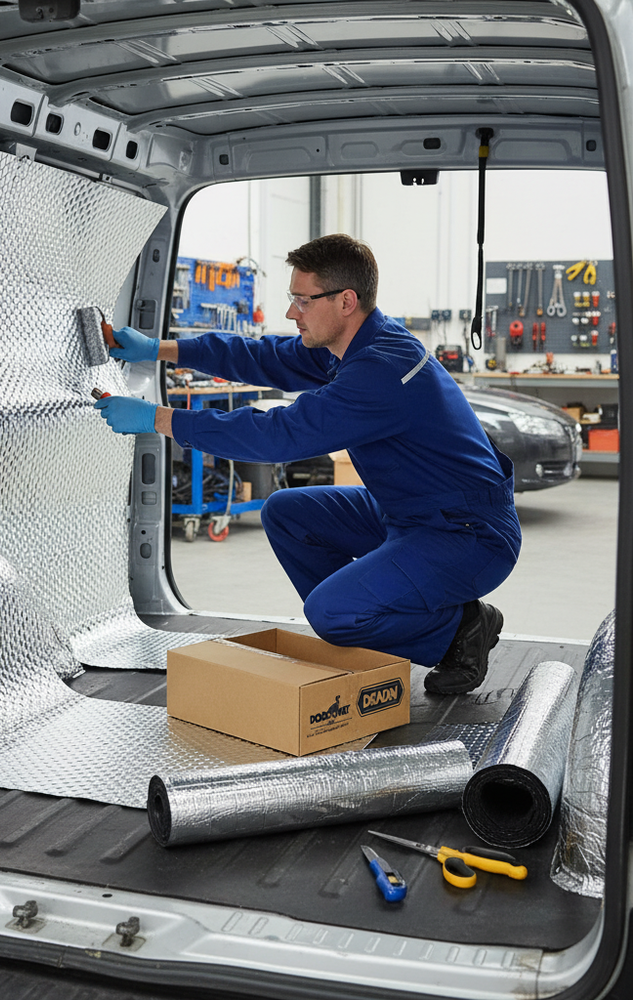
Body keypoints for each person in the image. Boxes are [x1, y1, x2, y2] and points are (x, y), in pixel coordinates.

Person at [93, 233, 521, 695]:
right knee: (286, 512)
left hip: (467, 533)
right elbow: (264, 356)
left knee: (331, 613)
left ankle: (460, 628)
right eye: (291, 298)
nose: (291, 312)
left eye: (302, 299)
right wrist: (157, 349)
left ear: (345, 301)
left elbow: (279, 435)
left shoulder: (380, 371)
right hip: (407, 511)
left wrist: (158, 418)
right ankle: (366, 630)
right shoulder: (357, 342)